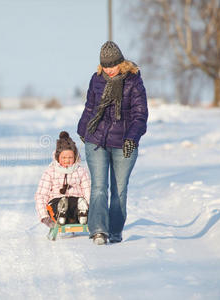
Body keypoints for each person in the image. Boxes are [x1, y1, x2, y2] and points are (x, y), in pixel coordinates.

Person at [77, 41, 148, 245]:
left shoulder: (133, 82)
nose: (109, 70)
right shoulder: (96, 79)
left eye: (112, 65)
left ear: (121, 62)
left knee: (119, 189)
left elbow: (140, 115)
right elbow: (90, 107)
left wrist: (131, 138)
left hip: (124, 143)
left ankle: (115, 231)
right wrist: (83, 130)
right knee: (99, 186)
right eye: (105, 66)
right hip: (96, 139)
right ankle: (99, 231)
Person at [35, 131, 91, 228]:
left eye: (70, 157)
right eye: (63, 157)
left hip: (76, 201)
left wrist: (91, 207)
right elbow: (41, 195)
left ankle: (82, 213)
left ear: (75, 157)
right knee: (56, 204)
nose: (67, 160)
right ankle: (61, 213)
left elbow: (88, 191)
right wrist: (44, 216)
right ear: (57, 157)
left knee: (78, 203)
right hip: (56, 200)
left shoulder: (81, 171)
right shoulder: (50, 172)